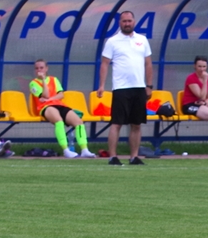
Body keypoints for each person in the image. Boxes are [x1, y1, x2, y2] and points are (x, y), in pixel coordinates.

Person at [97, 11, 153, 166]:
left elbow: (148, 64)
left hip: (139, 87)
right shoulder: (112, 41)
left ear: (134, 21)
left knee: (136, 124)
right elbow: (104, 64)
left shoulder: (142, 39)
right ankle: (113, 157)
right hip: (121, 88)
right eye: (124, 21)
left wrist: (149, 85)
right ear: (119, 23)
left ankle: (134, 157)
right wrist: (101, 85)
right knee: (117, 123)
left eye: (129, 21)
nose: (127, 24)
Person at [29, 59, 96, 158]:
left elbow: (61, 95)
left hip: (59, 104)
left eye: (41, 68)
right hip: (45, 107)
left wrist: (50, 99)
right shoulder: (33, 83)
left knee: (78, 122)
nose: (39, 70)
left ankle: (84, 149)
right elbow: (45, 94)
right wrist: (43, 80)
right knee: (59, 121)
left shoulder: (54, 79)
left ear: (46, 68)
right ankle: (66, 150)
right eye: (37, 68)